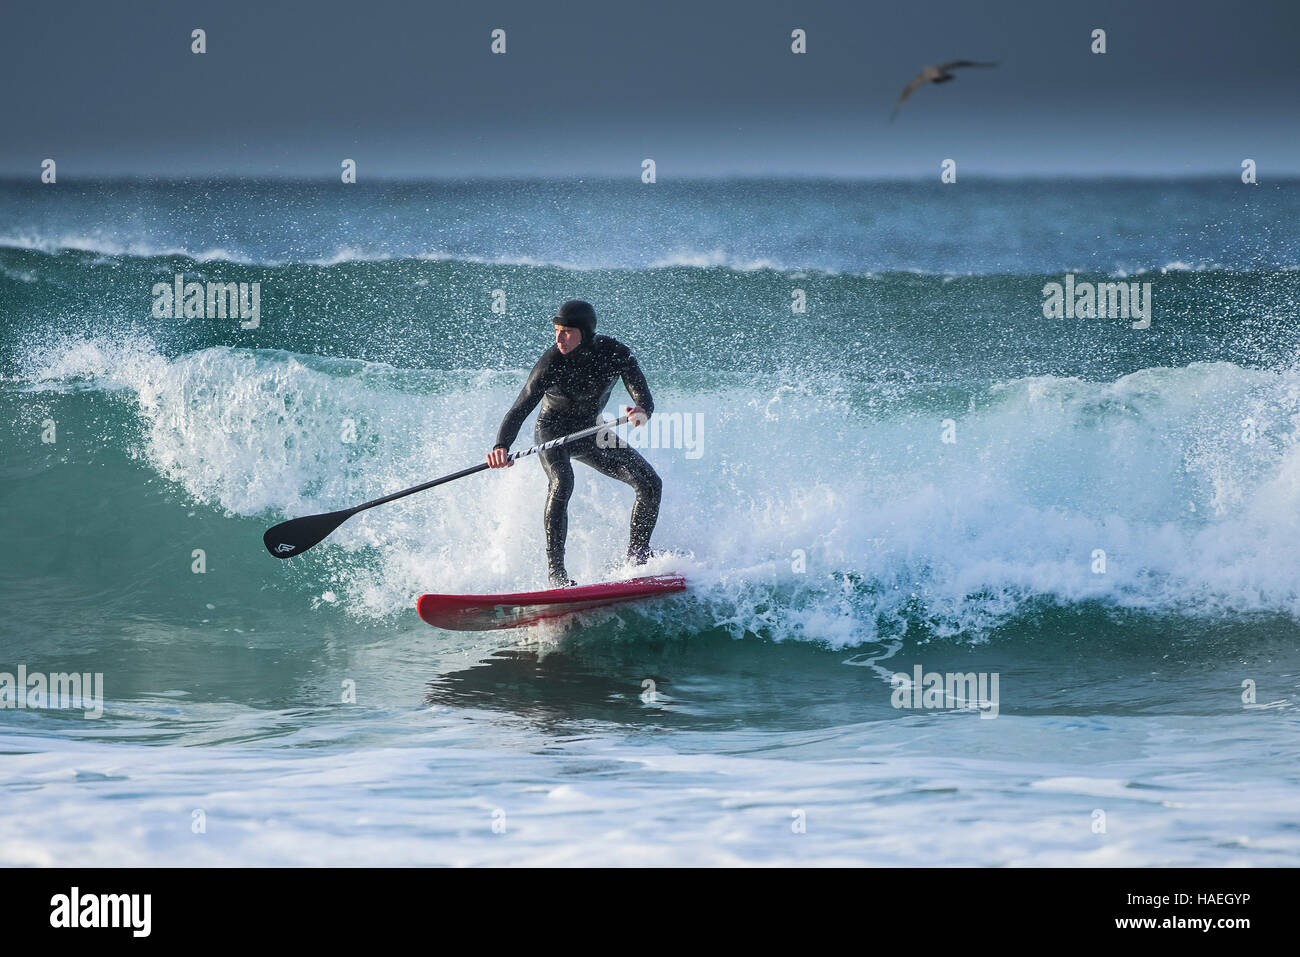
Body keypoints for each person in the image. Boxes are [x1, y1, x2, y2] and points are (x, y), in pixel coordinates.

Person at [487, 300, 662, 588]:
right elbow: (519, 409)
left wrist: (641, 412)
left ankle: (637, 558)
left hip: (592, 432)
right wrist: (500, 447)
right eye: (556, 330)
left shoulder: (615, 353)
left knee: (650, 484)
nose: (559, 338)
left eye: (566, 331)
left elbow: (643, 399)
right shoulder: (551, 362)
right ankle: (557, 574)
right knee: (562, 481)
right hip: (552, 432)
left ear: (585, 331)